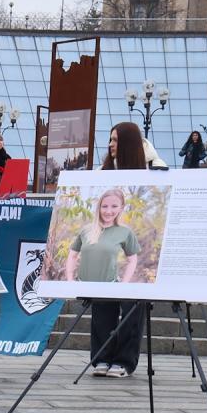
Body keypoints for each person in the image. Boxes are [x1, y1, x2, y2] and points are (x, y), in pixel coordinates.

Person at [83, 124, 149, 379]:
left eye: (116, 140)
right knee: (102, 303)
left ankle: (124, 360)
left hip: (133, 248)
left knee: (132, 303)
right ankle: (101, 356)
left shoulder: (149, 177)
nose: (111, 145)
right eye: (110, 139)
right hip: (105, 249)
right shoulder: (102, 175)